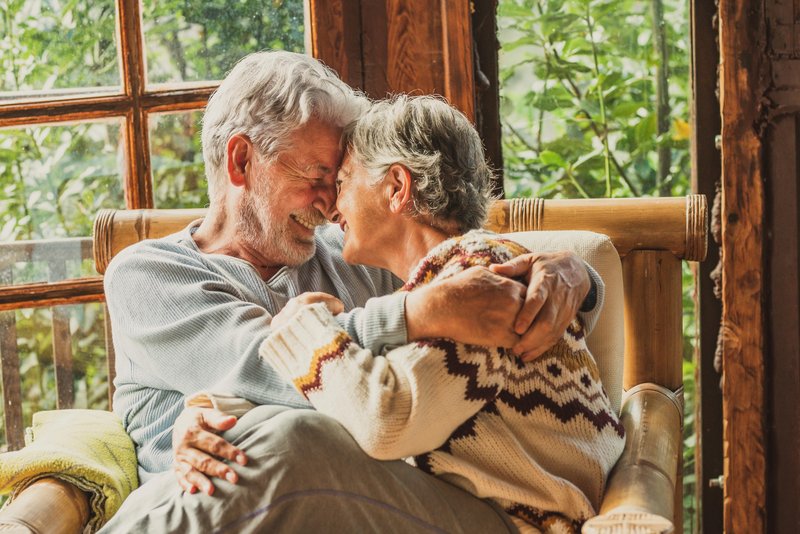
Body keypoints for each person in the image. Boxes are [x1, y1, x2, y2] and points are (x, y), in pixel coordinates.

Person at [99, 51, 602, 533]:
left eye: (340, 181)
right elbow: (266, 367)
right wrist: (416, 312)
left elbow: (465, 267)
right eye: (319, 176)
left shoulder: (354, 254)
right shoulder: (149, 275)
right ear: (241, 161)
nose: (329, 204)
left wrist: (574, 275)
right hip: (218, 508)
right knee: (282, 439)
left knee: (288, 440)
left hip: (355, 509)